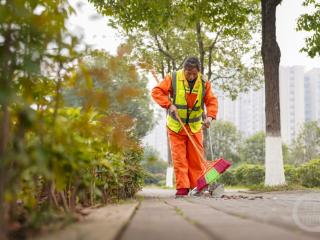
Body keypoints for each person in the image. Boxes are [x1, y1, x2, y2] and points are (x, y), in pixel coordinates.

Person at [151, 56, 218, 197]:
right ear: (184, 70)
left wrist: (210, 117)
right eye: (189, 73)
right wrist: (169, 105)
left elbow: (211, 101)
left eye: (194, 73)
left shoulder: (204, 82)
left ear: (198, 71)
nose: (191, 76)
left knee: (196, 160)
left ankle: (197, 187)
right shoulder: (173, 78)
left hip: (194, 127)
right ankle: (182, 189)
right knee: (180, 159)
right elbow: (157, 92)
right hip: (176, 127)